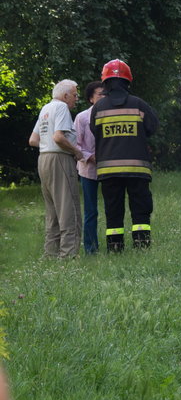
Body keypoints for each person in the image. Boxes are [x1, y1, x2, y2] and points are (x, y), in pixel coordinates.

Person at [90, 59, 159, 252]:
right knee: (141, 209)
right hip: (137, 169)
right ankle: (142, 246)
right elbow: (152, 127)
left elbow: (94, 131)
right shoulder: (139, 105)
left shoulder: (98, 108)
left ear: (105, 82)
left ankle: (115, 248)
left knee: (113, 211)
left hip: (108, 171)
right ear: (128, 81)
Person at [28, 79, 83, 258]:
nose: (77, 99)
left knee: (52, 210)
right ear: (65, 95)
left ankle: (50, 253)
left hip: (43, 159)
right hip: (60, 160)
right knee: (69, 208)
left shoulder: (45, 108)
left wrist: (48, 146)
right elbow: (59, 137)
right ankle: (68, 255)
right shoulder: (61, 108)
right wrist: (76, 151)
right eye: (75, 95)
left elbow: (33, 140)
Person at [73, 81, 106, 254]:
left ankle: (114, 244)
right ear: (91, 98)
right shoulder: (82, 118)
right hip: (88, 170)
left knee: (112, 207)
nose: (104, 97)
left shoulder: (110, 115)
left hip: (109, 169)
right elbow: (75, 144)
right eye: (100, 94)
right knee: (91, 210)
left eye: (106, 94)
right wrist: (90, 157)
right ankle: (91, 248)